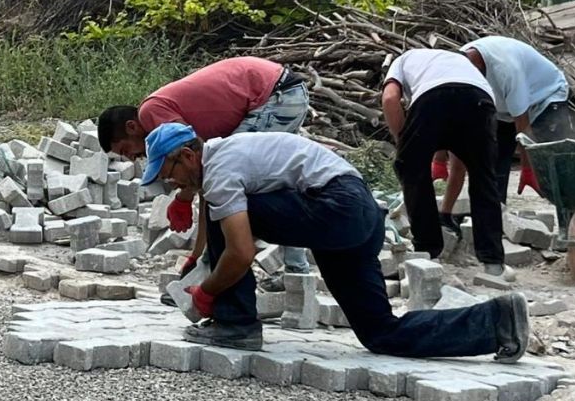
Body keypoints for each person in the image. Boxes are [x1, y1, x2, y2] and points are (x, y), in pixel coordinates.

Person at [140, 122, 529, 363]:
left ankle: (236, 323)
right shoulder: (223, 159)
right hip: (358, 216)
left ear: (188, 155)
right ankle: (497, 321)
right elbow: (212, 194)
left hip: (337, 207)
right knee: (380, 333)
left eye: (168, 172)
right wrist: (185, 202)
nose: (169, 181)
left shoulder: (222, 167)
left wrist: (207, 292)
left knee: (232, 218)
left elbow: (241, 251)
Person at [98, 56, 312, 287]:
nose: (132, 158)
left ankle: (220, 279)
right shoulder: (164, 113)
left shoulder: (150, 113)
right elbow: (204, 174)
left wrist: (184, 199)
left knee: (235, 186)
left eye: (125, 149)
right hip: (284, 91)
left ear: (132, 127)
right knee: (271, 183)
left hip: (273, 95)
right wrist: (195, 251)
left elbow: (202, 173)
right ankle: (296, 273)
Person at [381, 49, 507, 276]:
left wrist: (403, 143)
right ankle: (493, 262)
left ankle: (427, 253)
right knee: (483, 176)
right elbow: (459, 161)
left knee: (412, 169)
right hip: (480, 99)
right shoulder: (460, 63)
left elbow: (390, 98)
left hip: (432, 98)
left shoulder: (402, 60)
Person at [438, 36, 573, 229]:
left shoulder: (507, 69)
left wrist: (528, 168)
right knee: (493, 164)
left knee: (550, 162)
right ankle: (495, 222)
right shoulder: (459, 62)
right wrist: (439, 158)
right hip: (504, 108)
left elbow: (523, 125)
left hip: (545, 97)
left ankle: (570, 225)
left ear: (476, 68)